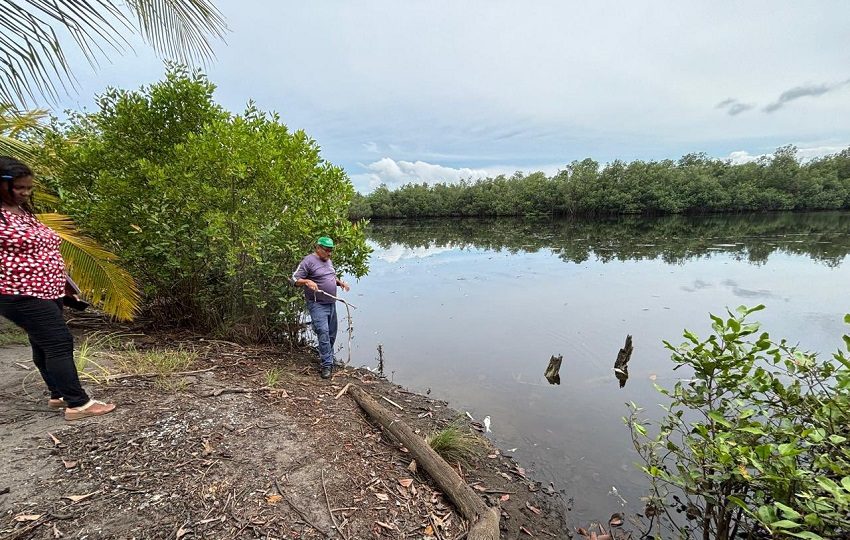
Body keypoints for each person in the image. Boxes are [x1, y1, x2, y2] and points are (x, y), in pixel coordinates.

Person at [0, 156, 115, 420]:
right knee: (58, 341)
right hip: (19, 292)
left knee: (42, 343)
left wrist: (63, 285)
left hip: (47, 288)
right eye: (19, 188)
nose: (26, 193)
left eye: (29, 188)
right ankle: (78, 404)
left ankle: (59, 394)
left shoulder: (22, 212)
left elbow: (43, 249)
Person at [292, 236, 350, 379]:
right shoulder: (308, 261)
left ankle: (328, 358)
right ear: (318, 248)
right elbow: (294, 279)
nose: (329, 254)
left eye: (331, 251)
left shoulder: (328, 261)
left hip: (331, 303)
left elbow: (328, 276)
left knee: (331, 334)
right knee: (323, 332)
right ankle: (326, 366)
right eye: (327, 250)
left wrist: (339, 283)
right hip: (317, 304)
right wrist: (307, 281)